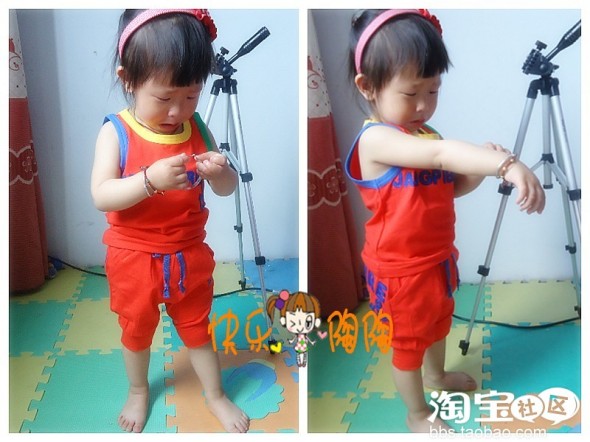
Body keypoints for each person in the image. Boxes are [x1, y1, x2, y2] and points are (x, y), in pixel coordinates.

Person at [344, 9, 545, 432]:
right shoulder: (376, 140)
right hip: (401, 270)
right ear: (368, 87)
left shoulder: (424, 134)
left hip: (437, 258)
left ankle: (436, 376)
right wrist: (504, 164)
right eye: (411, 92)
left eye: (433, 90)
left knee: (437, 325)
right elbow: (440, 156)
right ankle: (417, 414)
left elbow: (447, 186)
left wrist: (480, 170)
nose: (423, 105)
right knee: (408, 345)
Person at [90, 9, 249, 433]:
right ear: (128, 79)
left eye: (191, 96)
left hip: (188, 256)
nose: (178, 111)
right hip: (133, 259)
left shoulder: (196, 127)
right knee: (136, 332)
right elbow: (101, 194)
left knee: (198, 330)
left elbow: (227, 189)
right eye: (164, 99)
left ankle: (216, 395)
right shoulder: (116, 131)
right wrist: (148, 181)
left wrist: (221, 173)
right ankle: (138, 390)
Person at [266, 290, 322, 367]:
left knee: (302, 353)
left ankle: (302, 361)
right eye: (293, 322)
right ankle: (301, 361)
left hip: (301, 345)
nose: (300, 328)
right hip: (299, 344)